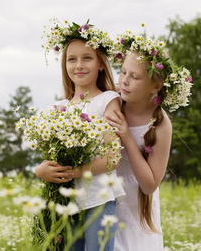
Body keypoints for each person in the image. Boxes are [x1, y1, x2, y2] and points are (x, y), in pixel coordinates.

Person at [35, 19, 126, 251]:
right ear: (65, 65)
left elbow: (112, 158)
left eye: (87, 58)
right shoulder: (58, 108)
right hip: (64, 202)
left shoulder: (107, 100)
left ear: (101, 64)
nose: (79, 65)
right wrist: (40, 171)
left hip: (98, 199)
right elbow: (50, 155)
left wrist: (75, 172)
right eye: (72, 59)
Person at [105, 31, 193, 250]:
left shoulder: (160, 125)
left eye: (134, 77)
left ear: (155, 86)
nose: (124, 80)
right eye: (123, 72)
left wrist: (126, 136)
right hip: (104, 198)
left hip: (137, 210)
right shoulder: (110, 102)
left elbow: (149, 185)